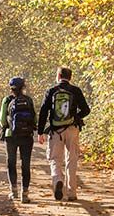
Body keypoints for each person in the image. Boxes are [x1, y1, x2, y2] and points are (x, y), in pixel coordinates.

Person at [38, 67, 90, 201]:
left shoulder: (51, 91)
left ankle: (57, 181)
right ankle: (72, 192)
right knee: (71, 160)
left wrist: (40, 132)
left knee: (55, 159)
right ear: (70, 77)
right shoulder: (75, 90)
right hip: (72, 129)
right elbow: (86, 110)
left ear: (58, 76)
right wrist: (76, 117)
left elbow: (43, 112)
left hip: (56, 130)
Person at [0, 76, 37, 203]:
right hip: (26, 137)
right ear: (23, 87)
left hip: (11, 136)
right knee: (26, 164)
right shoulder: (29, 100)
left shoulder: (7, 100)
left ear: (11, 88)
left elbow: (2, 120)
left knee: (11, 163)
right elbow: (34, 119)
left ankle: (13, 191)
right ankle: (24, 194)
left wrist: (7, 126)